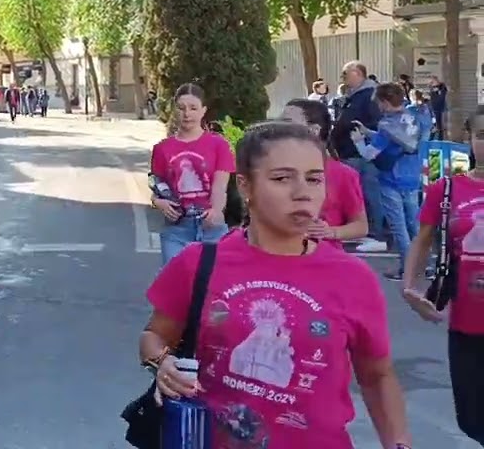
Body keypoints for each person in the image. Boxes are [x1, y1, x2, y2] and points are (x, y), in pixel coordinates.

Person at [142, 121, 412, 449]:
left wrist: (399, 444)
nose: (303, 192)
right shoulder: (198, 262)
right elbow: (154, 335)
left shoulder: (353, 277)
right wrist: (163, 363)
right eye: (282, 178)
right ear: (245, 186)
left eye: (314, 179)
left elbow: (377, 375)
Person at [403, 106, 484, 444]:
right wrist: (410, 288)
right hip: (467, 323)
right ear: (468, 139)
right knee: (471, 417)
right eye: (482, 136)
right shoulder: (446, 190)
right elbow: (422, 241)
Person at [149, 83, 233, 265]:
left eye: (193, 108)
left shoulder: (219, 145)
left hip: (211, 227)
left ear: (203, 110)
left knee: (212, 288)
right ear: (174, 110)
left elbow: (220, 186)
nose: (187, 114)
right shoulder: (162, 149)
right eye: (181, 108)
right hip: (177, 229)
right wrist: (159, 203)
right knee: (175, 288)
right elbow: (157, 186)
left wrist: (216, 210)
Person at [352, 82, 425, 280]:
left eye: (379, 103)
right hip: (412, 177)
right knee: (415, 224)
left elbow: (369, 154)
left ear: (384, 102)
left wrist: (359, 140)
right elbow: (396, 139)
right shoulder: (413, 117)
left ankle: (407, 269)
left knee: (399, 227)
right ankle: (423, 265)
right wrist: (369, 132)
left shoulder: (386, 126)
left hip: (391, 179)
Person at [282, 99, 369, 245]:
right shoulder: (275, 169)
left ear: (314, 130)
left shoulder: (343, 174)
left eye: (287, 122)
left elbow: (361, 226)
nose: (280, 128)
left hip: (325, 259)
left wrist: (331, 232)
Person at [329, 61, 386, 252]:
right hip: (352, 150)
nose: (343, 78)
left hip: (360, 152)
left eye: (346, 73)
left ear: (358, 74)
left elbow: (369, 122)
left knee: (369, 193)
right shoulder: (354, 96)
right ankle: (366, 231)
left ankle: (375, 233)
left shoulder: (368, 96)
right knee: (360, 193)